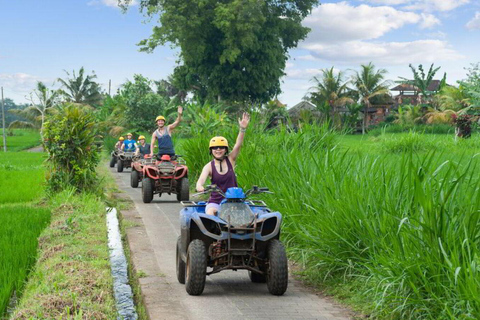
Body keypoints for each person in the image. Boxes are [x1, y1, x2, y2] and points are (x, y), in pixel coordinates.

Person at [196, 112, 250, 216]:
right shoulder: (208, 167)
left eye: (221, 147)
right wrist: (200, 187)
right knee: (210, 213)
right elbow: (201, 181)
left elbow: (238, 145)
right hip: (216, 202)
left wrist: (242, 129)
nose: (218, 150)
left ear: (225, 150)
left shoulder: (231, 159)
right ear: (211, 150)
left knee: (249, 218)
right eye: (215, 148)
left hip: (235, 201)